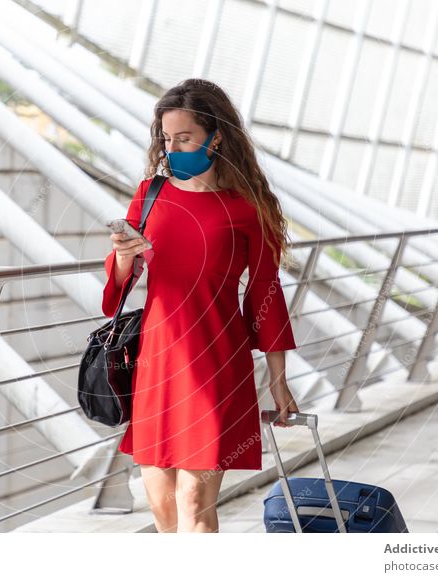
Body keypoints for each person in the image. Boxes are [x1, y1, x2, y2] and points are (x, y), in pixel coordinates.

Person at [101, 78, 299, 533]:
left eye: (184, 138)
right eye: (167, 139)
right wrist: (124, 257)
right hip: (156, 363)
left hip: (216, 366)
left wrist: (279, 381)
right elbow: (115, 291)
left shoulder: (248, 209)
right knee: (162, 508)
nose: (172, 148)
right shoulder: (150, 195)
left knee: (194, 502)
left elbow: (266, 297)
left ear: (217, 136)